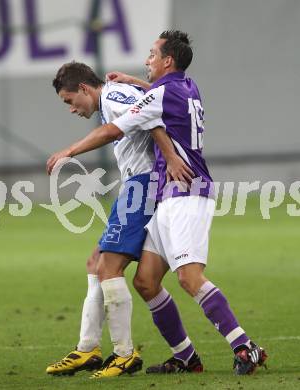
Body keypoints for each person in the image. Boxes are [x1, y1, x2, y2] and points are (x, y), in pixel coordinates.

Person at [106, 30, 268, 376]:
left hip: (187, 193)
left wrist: (68, 152)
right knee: (146, 281)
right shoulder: (187, 86)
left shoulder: (163, 93)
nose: (147, 60)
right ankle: (186, 357)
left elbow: (120, 126)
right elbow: (157, 99)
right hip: (169, 196)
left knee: (189, 278)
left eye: (152, 54)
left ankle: (245, 347)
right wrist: (135, 80)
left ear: (167, 61)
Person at [45, 61, 191, 378]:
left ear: (84, 88)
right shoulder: (117, 95)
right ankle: (87, 349)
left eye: (70, 101)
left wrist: (70, 150)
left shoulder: (112, 95)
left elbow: (149, 117)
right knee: (96, 263)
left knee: (109, 268)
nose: (71, 109)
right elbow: (150, 104)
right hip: (135, 185)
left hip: (143, 184)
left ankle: (124, 353)